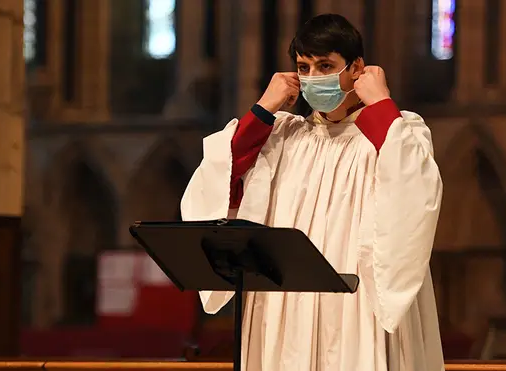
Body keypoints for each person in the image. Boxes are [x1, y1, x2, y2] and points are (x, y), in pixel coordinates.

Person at [181, 13, 444, 371]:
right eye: (304, 67)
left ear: (357, 68)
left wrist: (381, 103)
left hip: (357, 304)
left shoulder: (395, 130)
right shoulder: (284, 136)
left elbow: (416, 191)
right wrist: (264, 108)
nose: (313, 78)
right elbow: (219, 177)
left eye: (325, 65)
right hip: (285, 306)